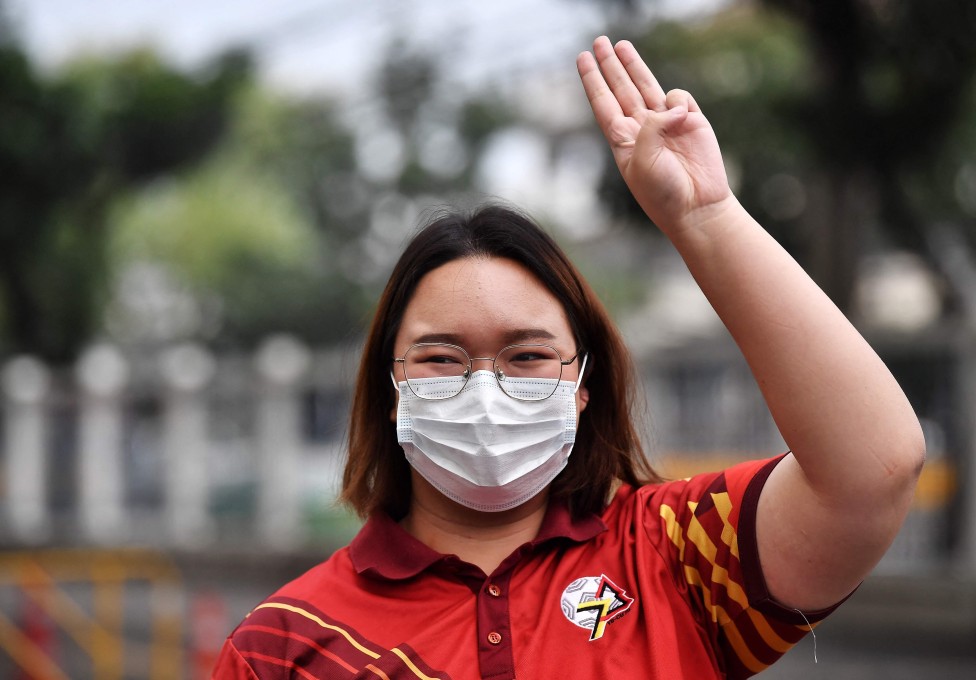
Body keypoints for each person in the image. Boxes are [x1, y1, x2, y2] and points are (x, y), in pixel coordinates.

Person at [212, 36, 924, 679]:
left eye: (526, 356)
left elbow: (874, 471)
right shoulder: (283, 646)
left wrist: (704, 218)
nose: (483, 389)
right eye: (440, 358)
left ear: (582, 388)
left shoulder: (674, 556)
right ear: (391, 387)